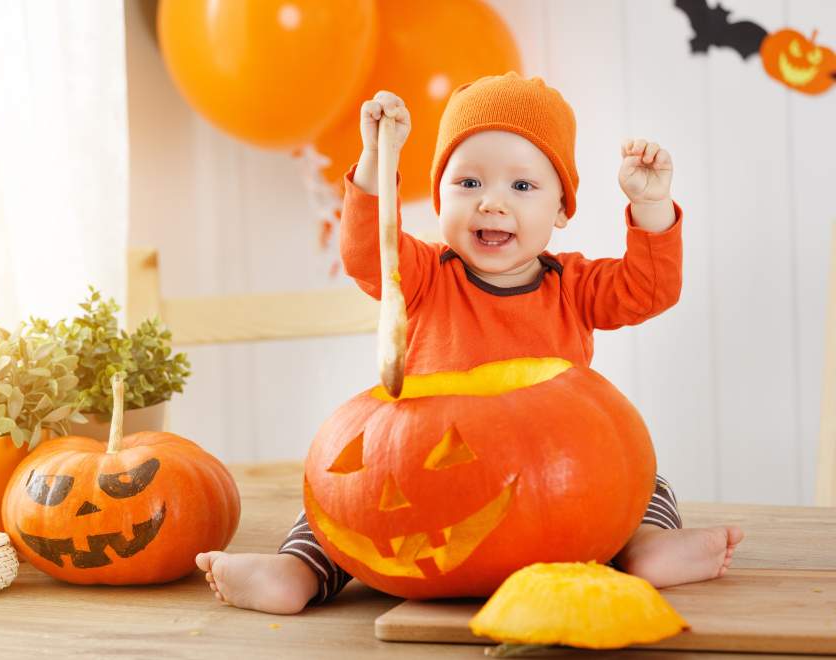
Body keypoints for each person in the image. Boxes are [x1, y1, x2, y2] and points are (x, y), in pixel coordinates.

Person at [196, 73, 744, 614]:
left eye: (522, 186)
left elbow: (650, 289)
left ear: (560, 209)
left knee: (640, 480)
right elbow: (368, 253)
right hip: (430, 474)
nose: (491, 203)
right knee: (347, 502)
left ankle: (648, 548)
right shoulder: (426, 273)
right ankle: (297, 573)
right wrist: (374, 160)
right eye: (469, 183)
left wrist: (651, 205)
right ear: (439, 198)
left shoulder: (573, 285)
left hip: (556, 477)